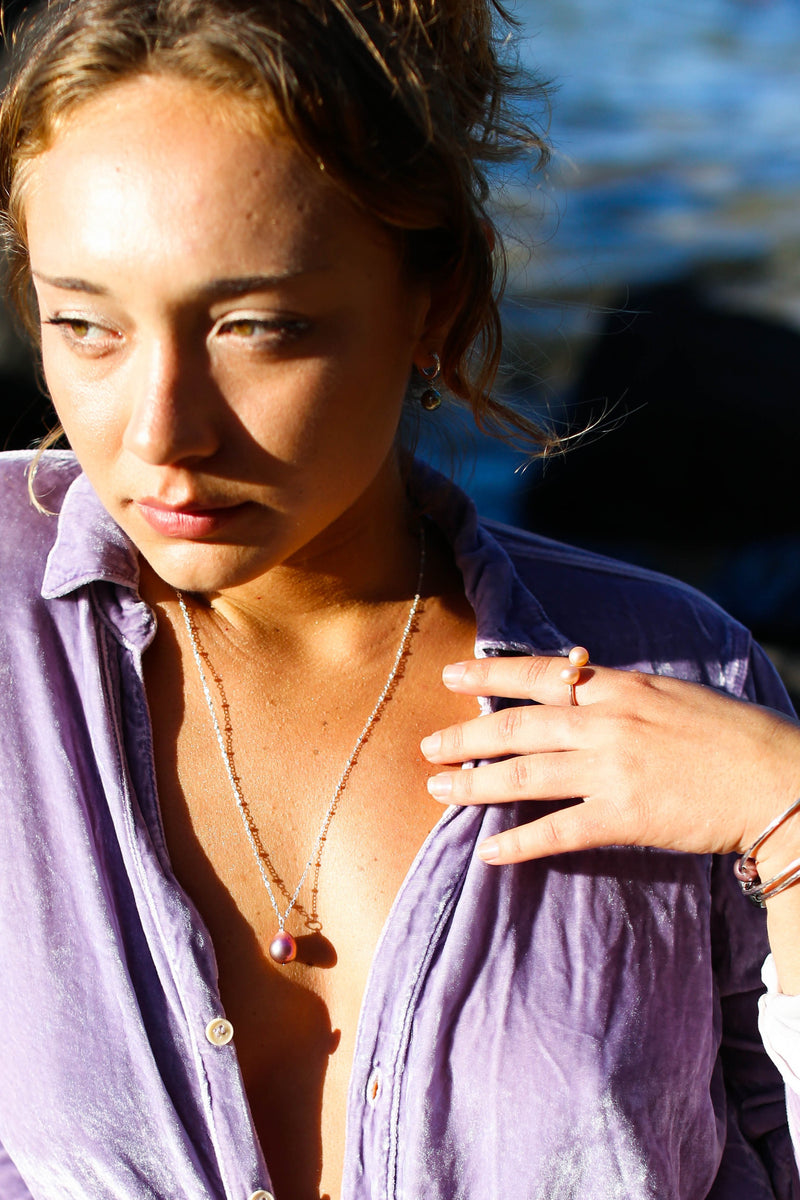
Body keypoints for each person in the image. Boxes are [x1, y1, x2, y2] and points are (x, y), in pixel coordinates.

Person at [0, 3, 797, 1199]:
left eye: (256, 327)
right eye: (86, 325)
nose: (161, 432)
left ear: (435, 300)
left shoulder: (680, 680)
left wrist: (789, 817)